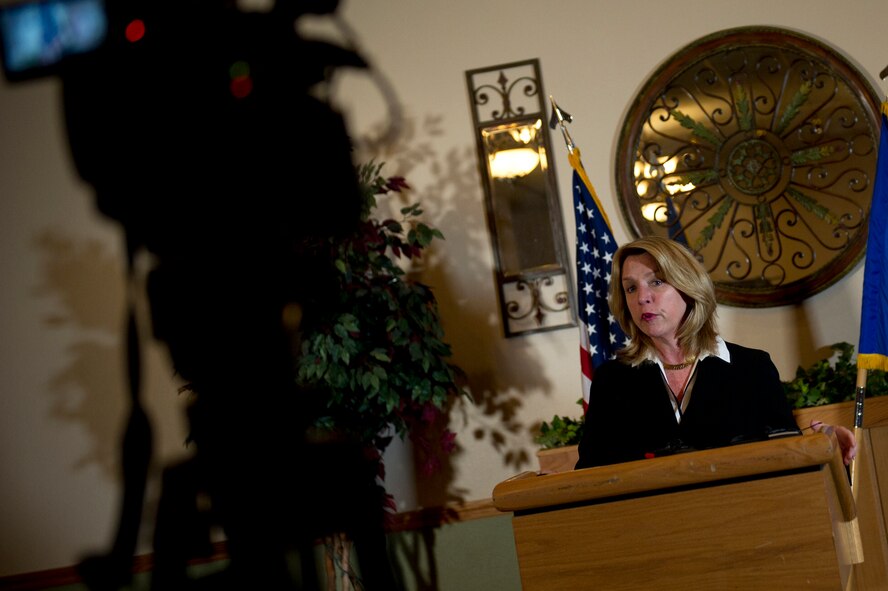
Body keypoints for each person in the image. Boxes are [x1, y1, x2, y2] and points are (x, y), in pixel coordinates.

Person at [575, 235, 857, 470]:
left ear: (688, 286)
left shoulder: (751, 367)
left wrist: (825, 443)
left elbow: (784, 456)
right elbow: (589, 475)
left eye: (656, 282)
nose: (642, 297)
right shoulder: (612, 380)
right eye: (630, 288)